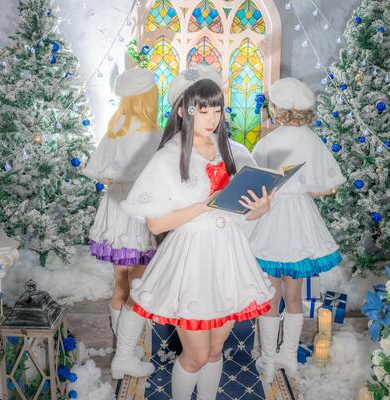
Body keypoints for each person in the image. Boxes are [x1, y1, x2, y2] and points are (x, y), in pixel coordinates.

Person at [120, 65, 276, 399]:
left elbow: (243, 212)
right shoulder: (168, 158)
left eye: (216, 110)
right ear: (183, 111)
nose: (211, 119)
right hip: (190, 258)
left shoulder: (234, 151)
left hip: (228, 255)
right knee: (196, 355)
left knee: (216, 350)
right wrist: (204, 206)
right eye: (202, 111)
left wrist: (261, 208)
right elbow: (156, 224)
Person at [248, 77, 346, 387]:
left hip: (271, 217)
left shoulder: (269, 142)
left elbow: (253, 184)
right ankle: (288, 356)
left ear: (278, 109)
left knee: (270, 293)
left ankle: (267, 359)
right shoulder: (312, 140)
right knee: (294, 295)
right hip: (302, 218)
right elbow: (327, 185)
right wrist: (302, 189)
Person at [83, 68, 162, 377]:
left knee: (120, 285)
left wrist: (118, 177)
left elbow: (98, 172)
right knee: (138, 286)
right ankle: (125, 356)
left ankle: (123, 349)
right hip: (138, 211)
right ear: (146, 98)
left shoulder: (116, 127)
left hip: (115, 210)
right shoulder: (153, 133)